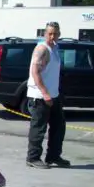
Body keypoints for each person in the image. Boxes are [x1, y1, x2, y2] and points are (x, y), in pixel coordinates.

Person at [25, 21, 70, 169]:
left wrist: (52, 94)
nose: (52, 36)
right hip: (40, 96)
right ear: (45, 34)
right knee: (38, 128)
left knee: (59, 127)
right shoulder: (42, 49)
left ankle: (53, 156)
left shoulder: (55, 48)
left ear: (59, 34)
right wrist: (45, 93)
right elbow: (35, 72)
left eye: (55, 33)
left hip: (54, 96)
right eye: (49, 33)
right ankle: (33, 158)